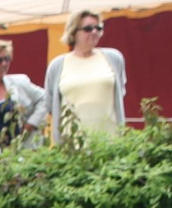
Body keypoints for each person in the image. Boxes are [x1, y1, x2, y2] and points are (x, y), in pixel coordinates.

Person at [43, 9, 127, 143]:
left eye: (98, 28)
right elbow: (49, 104)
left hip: (111, 141)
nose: (94, 32)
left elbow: (120, 94)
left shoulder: (113, 58)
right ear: (73, 32)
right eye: (88, 28)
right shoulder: (57, 65)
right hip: (72, 145)